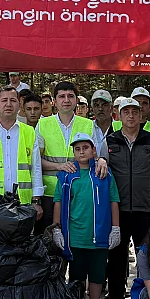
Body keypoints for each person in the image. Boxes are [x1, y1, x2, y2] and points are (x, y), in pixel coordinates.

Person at [104, 97, 150, 299]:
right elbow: (103, 169)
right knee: (116, 260)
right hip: (118, 211)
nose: (131, 116)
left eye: (135, 112)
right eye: (126, 112)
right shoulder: (109, 140)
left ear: (142, 116)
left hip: (147, 210)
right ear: (119, 116)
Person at [51, 134, 121, 299]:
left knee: (98, 276)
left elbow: (113, 201)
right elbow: (58, 201)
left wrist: (115, 227)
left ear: (93, 151)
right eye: (77, 149)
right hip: (76, 236)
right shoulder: (67, 175)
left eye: (85, 148)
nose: (81, 152)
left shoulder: (103, 173)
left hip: (99, 235)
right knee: (77, 276)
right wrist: (56, 228)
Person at [36, 82, 106, 215]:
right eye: (62, 96)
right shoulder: (43, 124)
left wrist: (101, 160)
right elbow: (36, 161)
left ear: (77, 100)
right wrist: (59, 166)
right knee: (48, 233)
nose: (66, 100)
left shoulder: (88, 125)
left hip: (81, 190)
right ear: (54, 101)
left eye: (70, 96)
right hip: (50, 191)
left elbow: (96, 156)